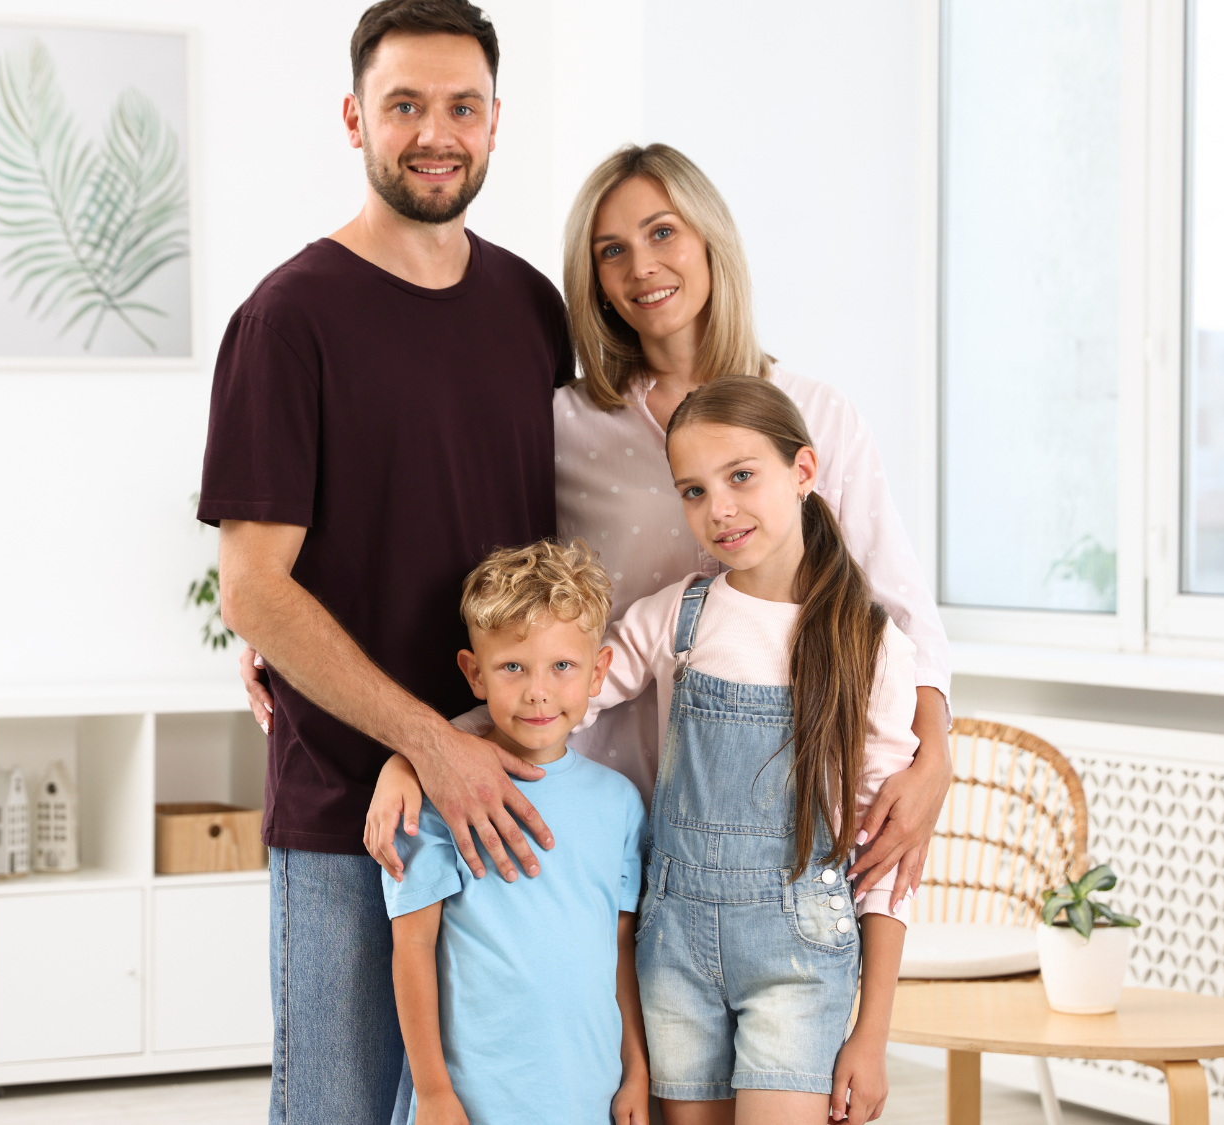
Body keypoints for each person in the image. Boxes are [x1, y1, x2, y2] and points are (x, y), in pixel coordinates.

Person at [365, 143, 953, 910]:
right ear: (595, 280)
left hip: (770, 836)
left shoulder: (815, 415)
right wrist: (409, 733)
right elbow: (475, 577)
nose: (642, 265)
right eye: (613, 251)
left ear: (709, 238)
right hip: (591, 815)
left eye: (663, 232)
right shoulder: (563, 425)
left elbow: (901, 613)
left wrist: (936, 754)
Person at [195, 2, 568, 1121]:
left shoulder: (530, 307)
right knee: (339, 1108)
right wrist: (423, 741)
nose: (434, 132)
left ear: (496, 123)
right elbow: (254, 584)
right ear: (355, 117)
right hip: (353, 812)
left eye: (461, 106)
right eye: (404, 105)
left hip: (510, 794)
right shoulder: (288, 319)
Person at [613, 376, 907, 1123]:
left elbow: (889, 862)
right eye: (693, 490)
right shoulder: (677, 618)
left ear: (803, 471)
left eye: (741, 475)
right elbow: (551, 700)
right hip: (674, 949)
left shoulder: (869, 645)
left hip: (800, 958)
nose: (719, 509)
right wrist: (426, 748)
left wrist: (871, 1035)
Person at [384, 540, 649, 1125]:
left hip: (591, 1093)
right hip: (476, 1102)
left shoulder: (621, 805)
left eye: (562, 666)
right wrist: (432, 1092)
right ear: (474, 674)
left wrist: (636, 1072)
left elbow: (619, 949)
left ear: (598, 671)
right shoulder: (435, 799)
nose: (538, 691)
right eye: (512, 668)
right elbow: (411, 949)